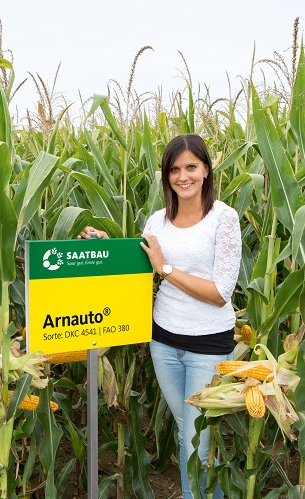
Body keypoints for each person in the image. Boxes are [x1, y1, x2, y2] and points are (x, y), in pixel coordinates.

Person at [79, 134, 241, 498]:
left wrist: (165, 268)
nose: (183, 176)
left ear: (206, 170)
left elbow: (219, 294)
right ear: (166, 175)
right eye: (174, 169)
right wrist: (105, 245)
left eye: (191, 167)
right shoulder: (158, 221)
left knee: (197, 438)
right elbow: (137, 265)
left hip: (208, 345)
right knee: (189, 432)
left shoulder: (223, 218)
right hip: (164, 341)